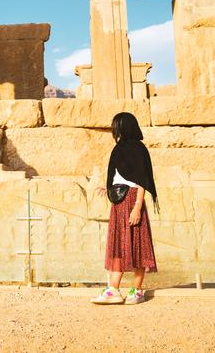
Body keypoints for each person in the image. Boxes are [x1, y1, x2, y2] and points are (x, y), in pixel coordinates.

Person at [91, 112, 158, 305]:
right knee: (118, 244)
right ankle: (113, 290)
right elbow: (120, 176)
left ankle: (136, 291)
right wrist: (110, 188)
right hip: (119, 203)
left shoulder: (138, 149)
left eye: (116, 126)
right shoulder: (118, 148)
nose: (115, 130)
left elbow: (141, 180)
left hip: (133, 200)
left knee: (138, 245)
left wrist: (137, 206)